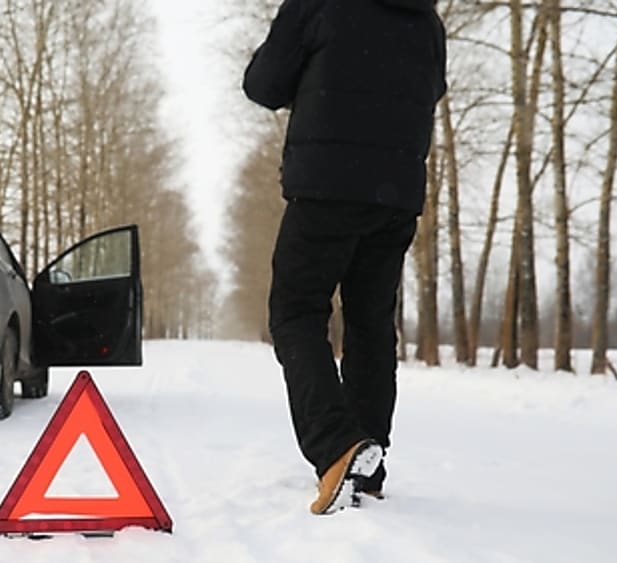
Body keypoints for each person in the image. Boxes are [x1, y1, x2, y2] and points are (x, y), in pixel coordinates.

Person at [242, 0, 447, 515]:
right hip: (396, 193)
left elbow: (263, 85)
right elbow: (431, 91)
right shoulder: (426, 19)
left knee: (295, 312)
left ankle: (336, 447)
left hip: (328, 185)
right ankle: (368, 464)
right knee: (370, 323)